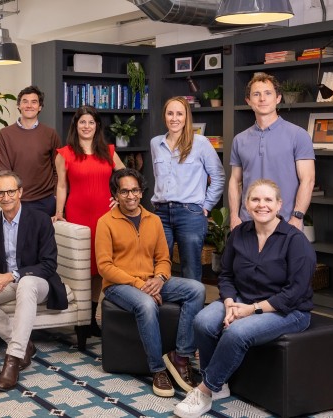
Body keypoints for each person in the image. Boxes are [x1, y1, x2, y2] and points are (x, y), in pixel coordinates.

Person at [174, 179, 316, 418]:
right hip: (242, 298)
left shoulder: (295, 240)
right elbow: (226, 275)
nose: (262, 205)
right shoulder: (239, 233)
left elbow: (296, 292)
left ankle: (205, 390)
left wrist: (252, 309)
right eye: (255, 199)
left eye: (268, 200)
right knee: (203, 321)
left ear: (279, 205)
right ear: (247, 204)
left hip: (289, 310)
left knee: (236, 332)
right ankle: (219, 384)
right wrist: (229, 302)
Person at [96, 168, 205, 397]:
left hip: (151, 280)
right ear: (115, 194)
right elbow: (104, 267)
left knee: (196, 289)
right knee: (146, 304)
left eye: (135, 190)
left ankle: (180, 357)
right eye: (124, 191)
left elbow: (163, 259)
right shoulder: (105, 222)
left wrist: (160, 278)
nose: (131, 196)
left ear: (141, 191)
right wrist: (139, 285)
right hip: (119, 285)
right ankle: (157, 369)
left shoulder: (153, 220)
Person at [0, 171, 68, 391]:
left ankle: (12, 358)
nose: (6, 197)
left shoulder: (40, 219)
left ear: (20, 192)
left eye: (11, 191)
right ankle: (24, 345)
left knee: (27, 283)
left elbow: (49, 264)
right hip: (8, 284)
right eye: (0, 193)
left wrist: (11, 276)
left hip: (38, 283)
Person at [53, 105, 124, 337]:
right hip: (78, 217)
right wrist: (59, 212)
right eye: (82, 122)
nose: (86, 126)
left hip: (105, 217)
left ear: (97, 126)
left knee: (99, 268)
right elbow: (61, 186)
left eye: (91, 122)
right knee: (81, 267)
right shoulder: (64, 153)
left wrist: (118, 198)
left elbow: (125, 176)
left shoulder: (108, 151)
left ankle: (91, 318)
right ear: (75, 125)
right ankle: (80, 319)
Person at [228, 72, 315, 231]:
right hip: (247, 223)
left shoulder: (298, 135)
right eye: (256, 94)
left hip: (286, 222)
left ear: (278, 98)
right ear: (248, 101)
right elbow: (235, 181)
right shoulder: (239, 140)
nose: (262, 99)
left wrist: (297, 217)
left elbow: (308, 180)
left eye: (268, 93)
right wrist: (234, 216)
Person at [151, 97, 225, 281]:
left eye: (179, 114)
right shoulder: (155, 143)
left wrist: (206, 205)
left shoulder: (200, 143)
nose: (174, 118)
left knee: (190, 269)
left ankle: (192, 301)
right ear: (164, 116)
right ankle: (163, 301)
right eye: (170, 113)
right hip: (161, 214)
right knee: (159, 268)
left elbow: (218, 176)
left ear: (186, 117)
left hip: (190, 213)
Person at [0, 85, 62, 218]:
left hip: (46, 201)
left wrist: (55, 196)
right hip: (17, 201)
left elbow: (58, 170)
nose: (29, 106)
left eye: (34, 102)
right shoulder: (5, 134)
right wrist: (12, 198)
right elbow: (4, 172)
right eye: (25, 101)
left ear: (40, 107)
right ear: (19, 105)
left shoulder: (51, 134)